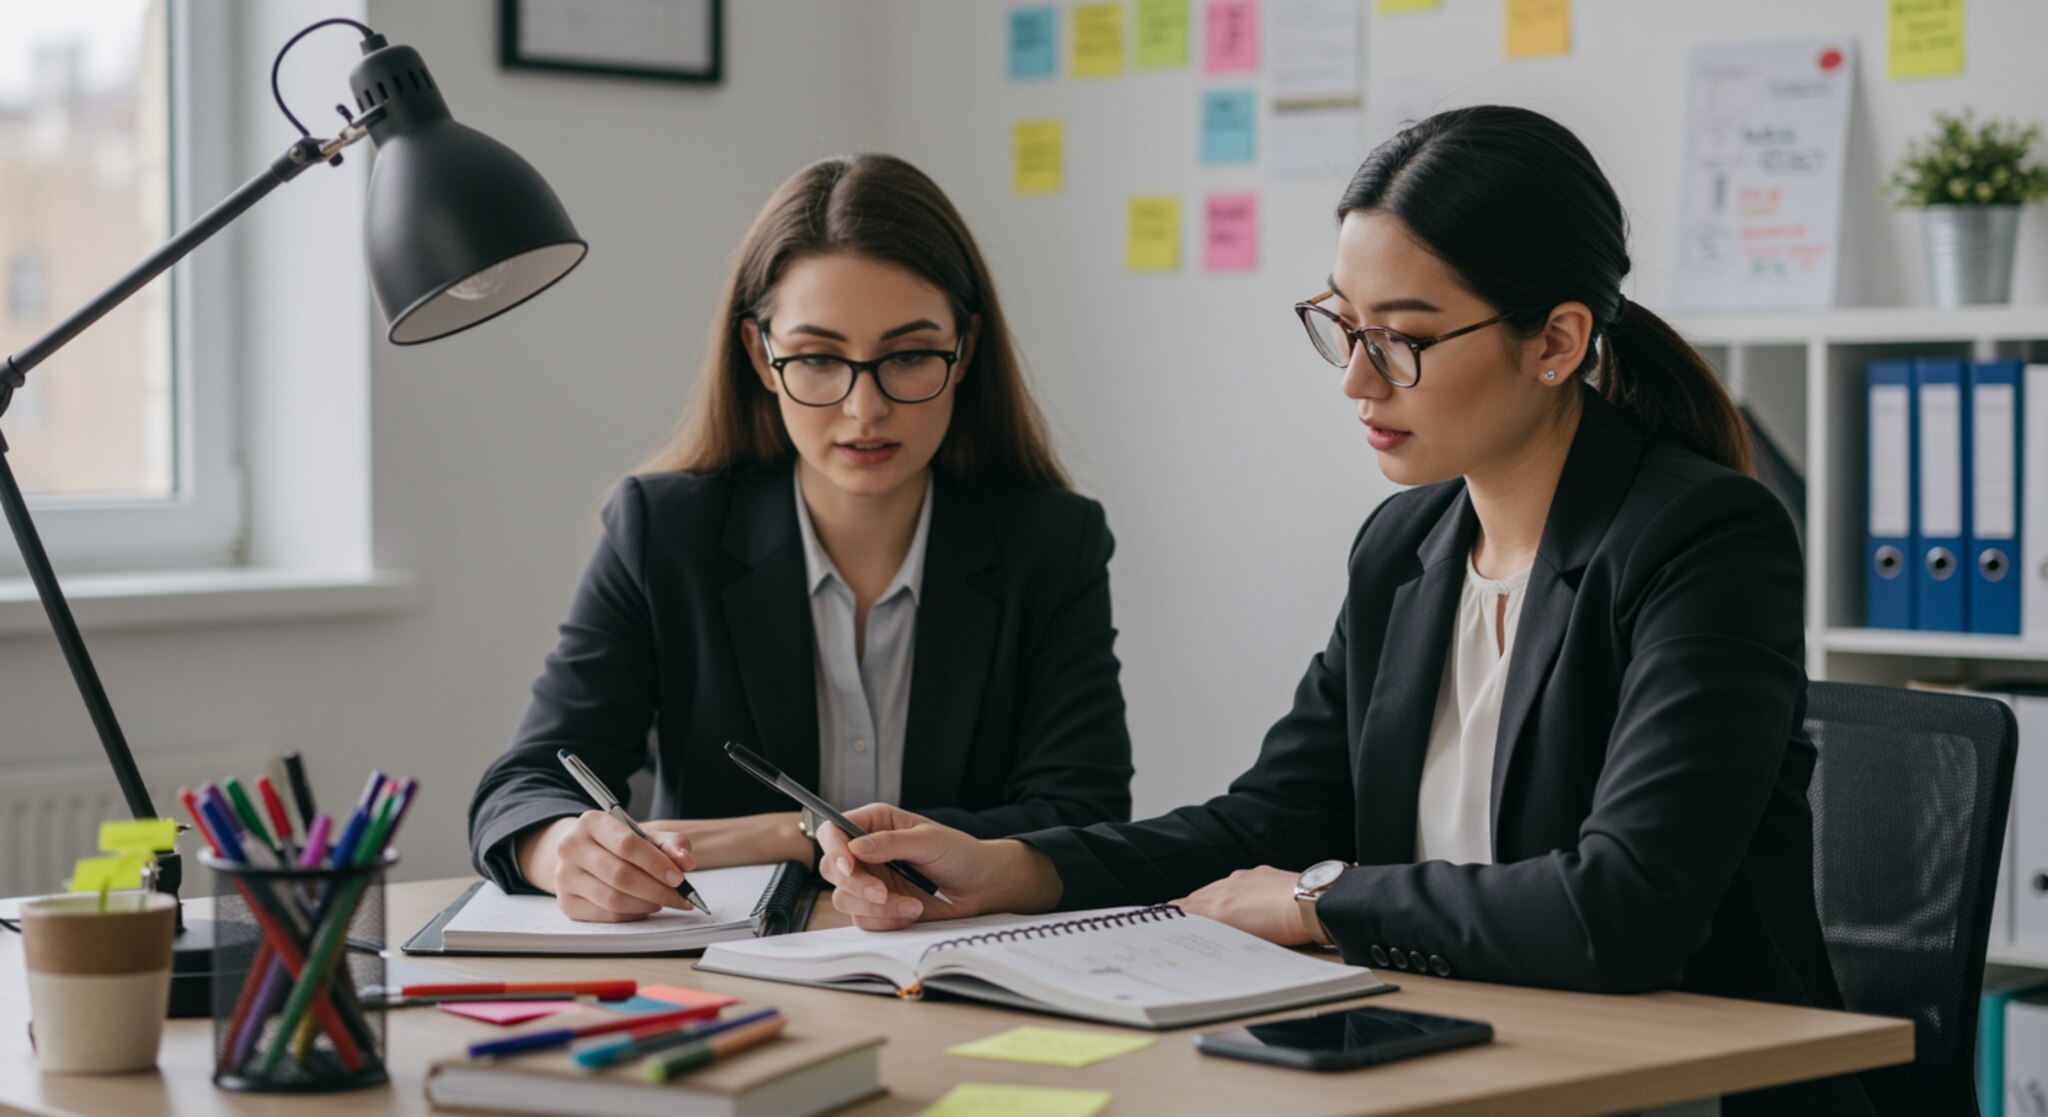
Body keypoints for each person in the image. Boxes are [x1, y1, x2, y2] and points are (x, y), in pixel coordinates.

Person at [813, 108, 1870, 1115]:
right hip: (1450, 1057)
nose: (1356, 381)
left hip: (1679, 1088)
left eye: (1400, 339)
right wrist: (1015, 868)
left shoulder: (1702, 540)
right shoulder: (1404, 548)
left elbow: (1624, 907)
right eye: (1343, 326)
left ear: (1555, 341)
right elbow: (1269, 820)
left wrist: (1315, 900)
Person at [468, 154, 1134, 924]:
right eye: (818, 358)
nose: (864, 409)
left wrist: (797, 832)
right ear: (761, 355)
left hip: (961, 964)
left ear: (966, 349)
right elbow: (523, 787)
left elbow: (1083, 815)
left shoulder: (1051, 543)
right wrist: (565, 849)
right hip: (724, 973)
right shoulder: (663, 532)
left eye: (909, 356)